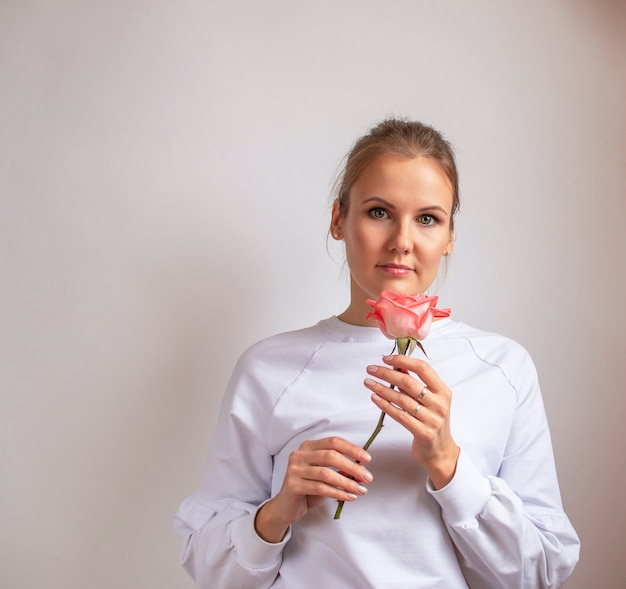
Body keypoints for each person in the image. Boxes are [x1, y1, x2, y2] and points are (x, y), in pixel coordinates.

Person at [174, 118, 580, 588]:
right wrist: (277, 511)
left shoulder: (503, 368)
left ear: (449, 237)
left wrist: (448, 464)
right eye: (379, 212)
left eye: (427, 219)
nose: (402, 242)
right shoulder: (268, 369)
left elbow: (541, 572)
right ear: (337, 220)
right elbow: (211, 570)